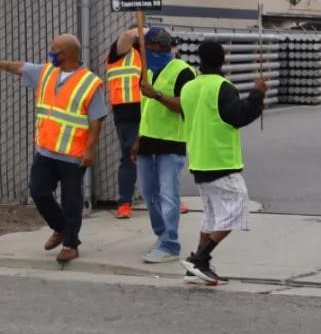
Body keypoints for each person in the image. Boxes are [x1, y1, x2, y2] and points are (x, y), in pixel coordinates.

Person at [0, 34, 107, 263]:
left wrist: (90, 150)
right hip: (46, 151)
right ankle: (60, 228)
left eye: (54, 50)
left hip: (72, 155)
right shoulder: (47, 72)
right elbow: (18, 67)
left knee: (71, 201)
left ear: (65, 54)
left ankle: (70, 244)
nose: (50, 53)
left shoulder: (90, 83)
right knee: (39, 192)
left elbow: (96, 121)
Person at [179, 41, 265, 286]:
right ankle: (200, 259)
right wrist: (257, 94)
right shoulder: (223, 86)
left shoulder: (188, 88)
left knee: (211, 214)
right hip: (220, 159)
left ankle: (196, 268)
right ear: (223, 59)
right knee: (237, 207)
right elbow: (238, 116)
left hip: (198, 158)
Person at [132, 28, 196, 264]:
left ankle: (170, 243)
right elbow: (145, 110)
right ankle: (162, 235)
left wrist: (157, 94)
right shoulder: (146, 72)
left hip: (171, 142)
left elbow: (185, 106)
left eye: (145, 49)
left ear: (157, 48)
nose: (144, 53)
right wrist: (138, 140)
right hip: (148, 140)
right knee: (149, 194)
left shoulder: (183, 72)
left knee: (169, 194)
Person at [104, 26, 143, 219]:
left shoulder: (146, 53)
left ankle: (168, 199)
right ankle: (125, 202)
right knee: (129, 156)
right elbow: (127, 35)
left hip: (151, 111)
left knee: (161, 157)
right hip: (127, 112)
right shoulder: (117, 54)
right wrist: (147, 30)